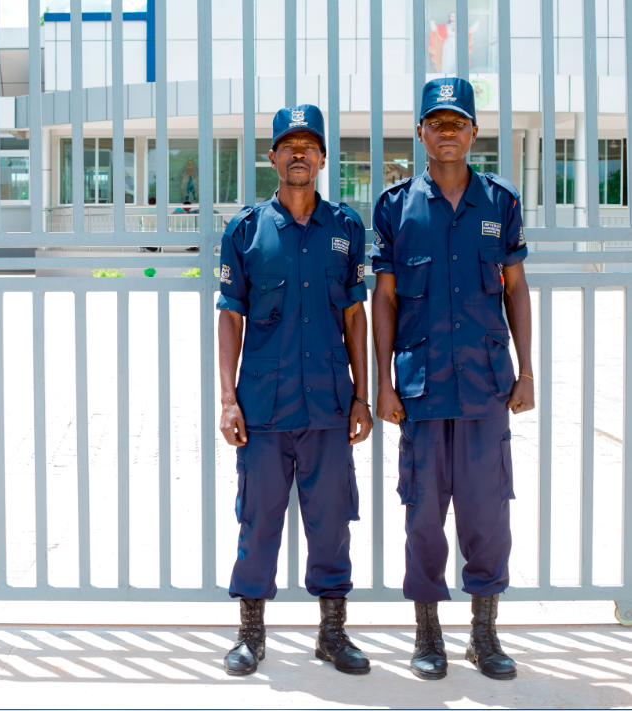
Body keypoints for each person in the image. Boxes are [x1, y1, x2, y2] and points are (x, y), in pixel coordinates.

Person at [369, 77, 534, 682]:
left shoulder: (501, 202)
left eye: (456, 121)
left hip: (487, 385)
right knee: (422, 512)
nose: (446, 131)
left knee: (487, 512)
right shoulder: (393, 207)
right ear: (421, 133)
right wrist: (383, 383)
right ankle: (428, 632)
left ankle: (483, 634)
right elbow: (383, 299)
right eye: (435, 122)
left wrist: (528, 370)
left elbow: (516, 290)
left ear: (472, 131)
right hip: (420, 387)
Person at [217, 104, 374, 677]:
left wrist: (363, 394)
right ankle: (251, 634)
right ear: (273, 157)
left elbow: (355, 315)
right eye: (290, 144)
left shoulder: (346, 228)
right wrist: (229, 399)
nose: (300, 153)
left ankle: (332, 633)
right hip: (262, 405)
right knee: (258, 517)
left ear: (323, 158)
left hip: (330, 404)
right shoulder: (246, 230)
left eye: (310, 145)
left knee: (331, 519)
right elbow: (230, 316)